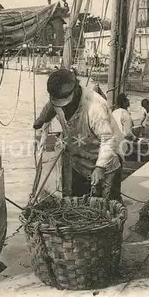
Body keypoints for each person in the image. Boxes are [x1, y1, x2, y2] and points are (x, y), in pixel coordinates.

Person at [33, 69, 125, 201]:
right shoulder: (58, 99)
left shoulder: (95, 107)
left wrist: (100, 167)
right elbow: (50, 108)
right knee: (79, 204)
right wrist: (41, 120)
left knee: (106, 205)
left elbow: (108, 140)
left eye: (66, 104)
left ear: (75, 92)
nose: (63, 108)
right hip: (79, 161)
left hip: (106, 163)